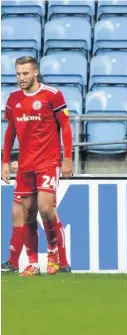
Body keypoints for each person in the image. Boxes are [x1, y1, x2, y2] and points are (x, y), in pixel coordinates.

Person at [2, 56, 73, 276]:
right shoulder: (13, 98)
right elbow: (10, 132)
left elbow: (66, 126)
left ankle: (55, 253)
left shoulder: (52, 95)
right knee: (24, 213)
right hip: (25, 165)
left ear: (35, 72)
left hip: (48, 162)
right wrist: (4, 161)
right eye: (18, 74)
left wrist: (67, 158)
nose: (21, 78)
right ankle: (31, 263)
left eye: (25, 73)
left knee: (45, 208)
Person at [1, 161, 71, 274]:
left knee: (48, 212)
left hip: (44, 166)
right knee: (18, 213)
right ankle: (15, 262)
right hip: (24, 170)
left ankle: (63, 263)